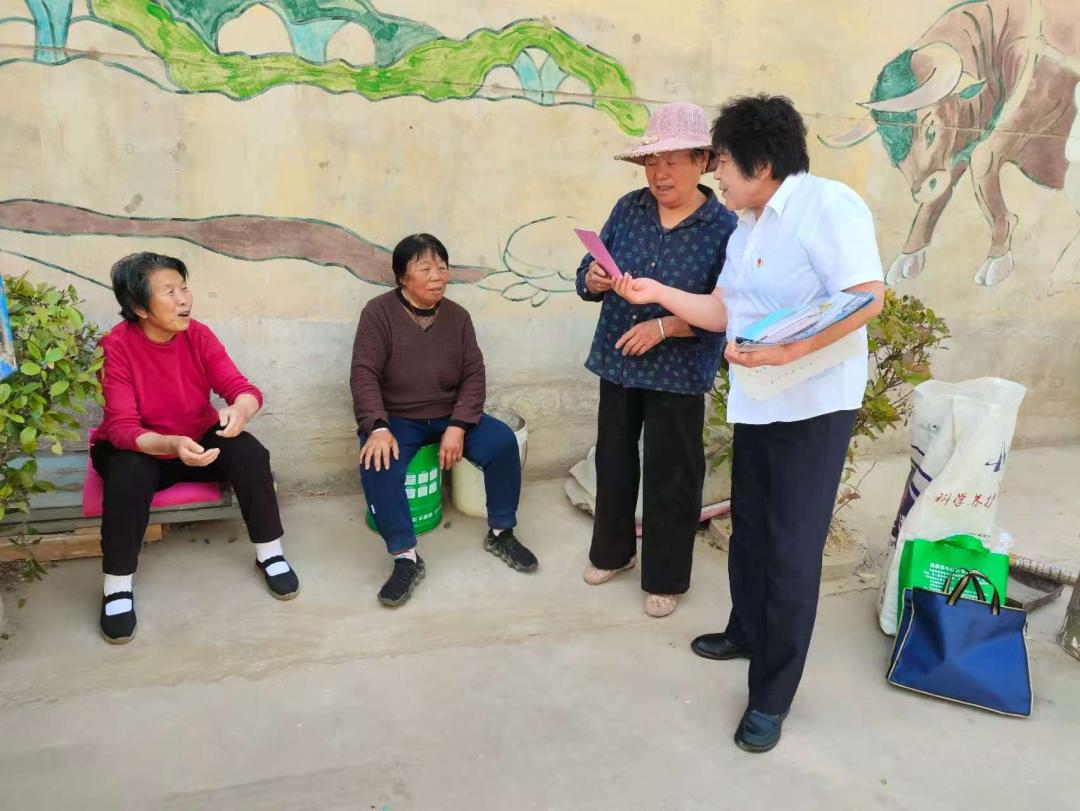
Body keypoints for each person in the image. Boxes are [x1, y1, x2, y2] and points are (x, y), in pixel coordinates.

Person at [613, 94, 885, 751]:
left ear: (762, 165)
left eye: (724, 164)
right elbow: (721, 311)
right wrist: (656, 293)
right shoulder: (747, 225)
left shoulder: (828, 206)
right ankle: (745, 630)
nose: (717, 176)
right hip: (760, 400)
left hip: (813, 407)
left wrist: (791, 351)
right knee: (752, 527)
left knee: (790, 551)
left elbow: (866, 296)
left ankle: (771, 694)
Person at [575, 102, 737, 618]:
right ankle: (613, 552)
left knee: (672, 473)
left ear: (702, 161)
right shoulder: (630, 208)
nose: (660, 173)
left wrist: (665, 326)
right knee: (613, 460)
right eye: (651, 162)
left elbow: (729, 308)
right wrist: (593, 278)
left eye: (672, 161)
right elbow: (588, 271)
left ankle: (665, 576)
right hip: (620, 359)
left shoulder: (724, 227)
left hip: (678, 370)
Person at [90, 252, 299, 645]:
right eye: (169, 292)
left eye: (184, 288)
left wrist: (240, 411)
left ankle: (270, 553)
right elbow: (121, 428)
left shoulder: (198, 335)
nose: (184, 299)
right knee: (129, 475)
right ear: (139, 308)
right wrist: (169, 443)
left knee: (251, 454)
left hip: (196, 440)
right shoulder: (115, 346)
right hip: (141, 447)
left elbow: (242, 389)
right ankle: (117, 586)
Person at [350, 234, 538, 607]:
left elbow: (474, 375)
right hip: (399, 418)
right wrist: (378, 426)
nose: (437, 276)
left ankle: (501, 532)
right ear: (402, 277)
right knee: (377, 462)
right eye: (425, 268)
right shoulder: (378, 313)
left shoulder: (458, 317)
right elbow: (363, 374)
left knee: (502, 442)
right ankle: (405, 557)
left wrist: (459, 425)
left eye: (442, 267)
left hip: (452, 414)